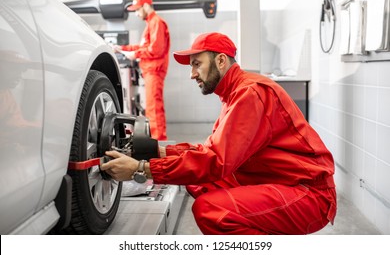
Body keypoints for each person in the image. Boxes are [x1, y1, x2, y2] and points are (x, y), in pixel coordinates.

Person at [101, 32, 337, 235]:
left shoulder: (250, 94)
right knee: (199, 184)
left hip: (308, 195)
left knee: (210, 209)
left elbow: (215, 161)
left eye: (197, 64)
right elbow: (208, 151)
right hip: (278, 180)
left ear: (221, 61)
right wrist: (160, 151)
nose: (192, 74)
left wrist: (141, 170)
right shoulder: (235, 93)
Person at [114, 0, 170, 140]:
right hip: (150, 71)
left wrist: (135, 54)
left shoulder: (156, 22)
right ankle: (157, 140)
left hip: (154, 71)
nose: (137, 14)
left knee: (154, 109)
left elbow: (155, 50)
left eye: (138, 10)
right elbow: (143, 46)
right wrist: (123, 48)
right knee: (153, 108)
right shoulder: (150, 24)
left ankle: (158, 142)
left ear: (146, 6)